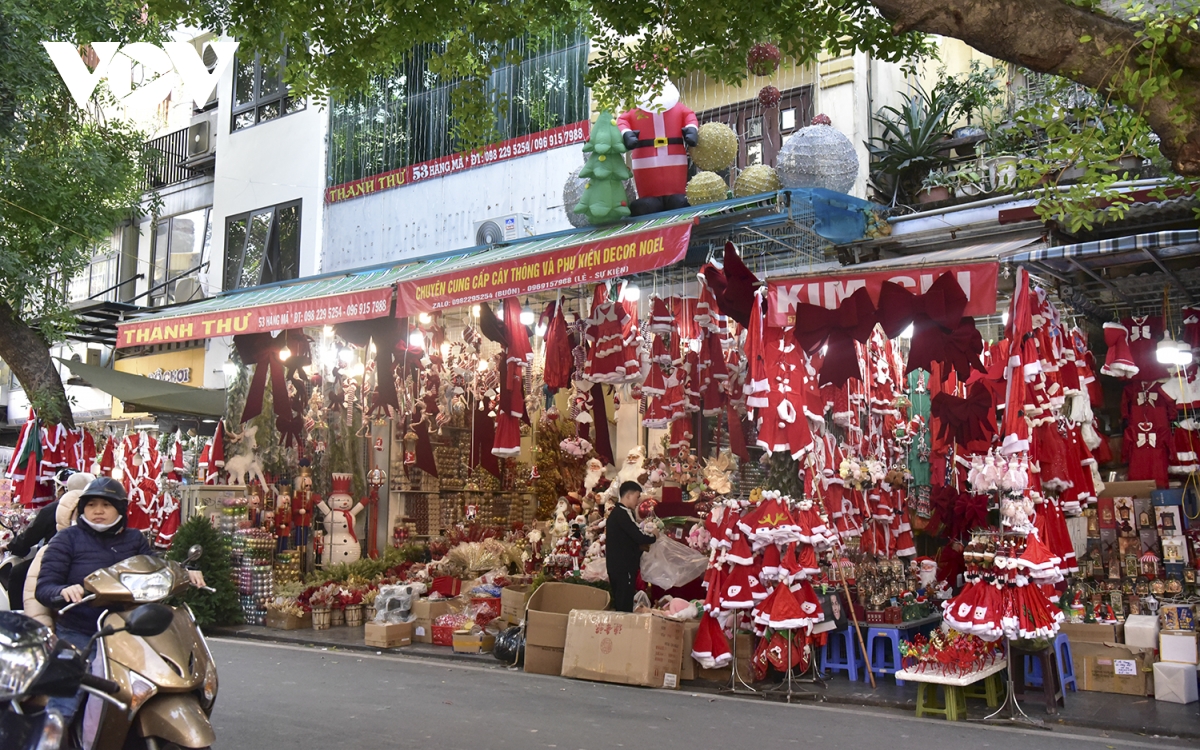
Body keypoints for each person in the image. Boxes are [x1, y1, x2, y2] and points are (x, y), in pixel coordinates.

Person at [35, 477, 205, 723]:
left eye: (106, 504)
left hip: (131, 629)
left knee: (157, 680)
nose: (98, 511)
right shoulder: (66, 539)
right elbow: (45, 586)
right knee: (64, 702)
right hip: (82, 630)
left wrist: (183, 571)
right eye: (91, 504)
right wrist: (63, 591)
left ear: (120, 509)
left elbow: (156, 567)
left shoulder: (134, 539)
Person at [2, 470, 89, 609]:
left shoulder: (54, 509)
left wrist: (10, 546)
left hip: (59, 558)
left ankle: (18, 616)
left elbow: (30, 536)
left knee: (18, 574)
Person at [605, 481, 658, 612]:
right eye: (637, 496)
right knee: (625, 605)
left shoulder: (616, 513)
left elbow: (626, 538)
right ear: (628, 495)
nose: (638, 501)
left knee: (621, 602)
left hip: (616, 566)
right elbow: (638, 535)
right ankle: (626, 630)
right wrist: (654, 536)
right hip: (623, 567)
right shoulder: (623, 513)